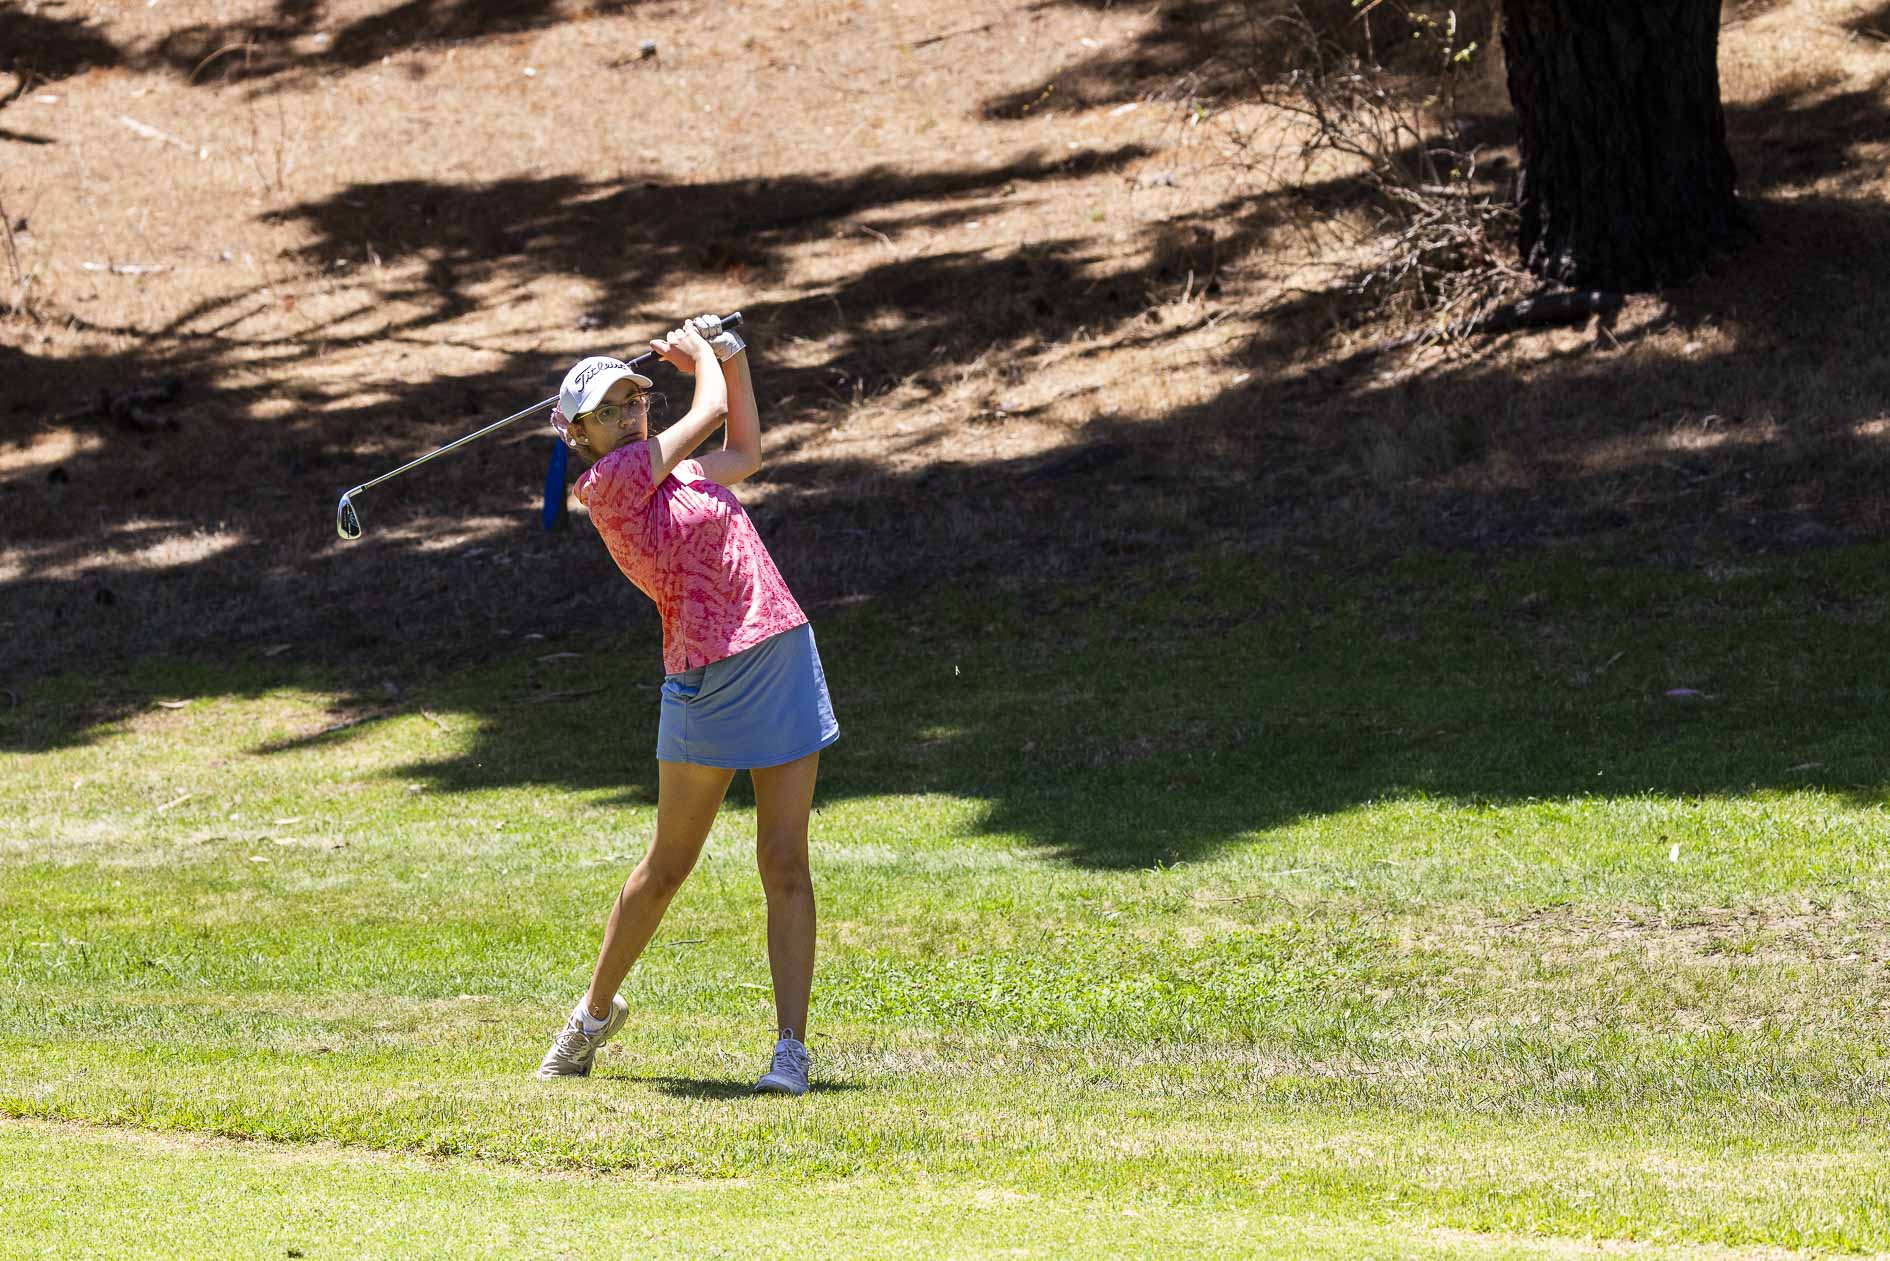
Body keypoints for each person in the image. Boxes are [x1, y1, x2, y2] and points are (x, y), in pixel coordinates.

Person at [535, 315, 838, 1095]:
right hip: (704, 676)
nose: (630, 416)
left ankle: (791, 1051)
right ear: (579, 434)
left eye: (635, 401)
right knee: (667, 865)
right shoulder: (609, 483)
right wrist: (703, 356)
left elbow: (744, 450)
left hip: (777, 650)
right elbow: (705, 412)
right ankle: (592, 1016)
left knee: (784, 859)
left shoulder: (682, 475)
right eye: (609, 411)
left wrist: (733, 357)